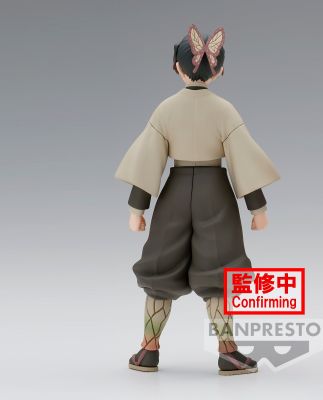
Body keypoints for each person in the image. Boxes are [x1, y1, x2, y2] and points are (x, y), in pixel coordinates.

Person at [115, 24, 280, 375]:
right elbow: (243, 159)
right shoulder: (225, 111)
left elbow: (148, 159)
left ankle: (148, 349)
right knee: (220, 269)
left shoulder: (165, 110)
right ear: (219, 71)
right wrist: (258, 208)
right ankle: (227, 352)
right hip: (215, 195)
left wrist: (137, 208)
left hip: (174, 194)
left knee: (160, 268)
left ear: (176, 67)